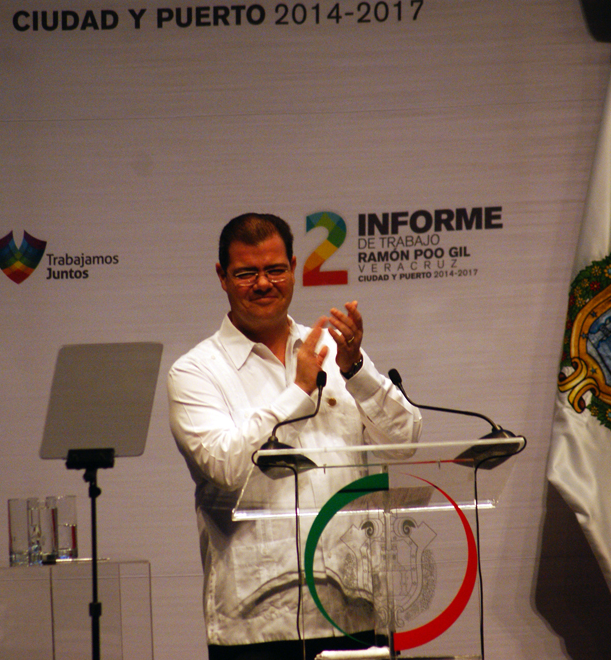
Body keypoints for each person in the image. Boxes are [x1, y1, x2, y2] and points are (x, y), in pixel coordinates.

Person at [167, 213, 422, 660]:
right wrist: (299, 390)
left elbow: (405, 442)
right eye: (246, 273)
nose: (264, 283)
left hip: (354, 610)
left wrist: (356, 371)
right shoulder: (196, 371)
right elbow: (225, 468)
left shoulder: (334, 350)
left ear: (294, 269)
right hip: (259, 622)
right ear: (222, 277)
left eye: (275, 270)